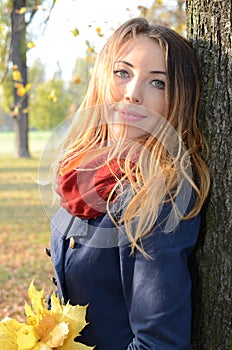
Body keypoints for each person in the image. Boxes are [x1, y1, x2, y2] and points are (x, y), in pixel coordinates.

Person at [47, 17, 210, 349]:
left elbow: (159, 343)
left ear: (177, 100)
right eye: (123, 73)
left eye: (157, 83)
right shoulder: (82, 171)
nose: (133, 94)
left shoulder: (156, 197)